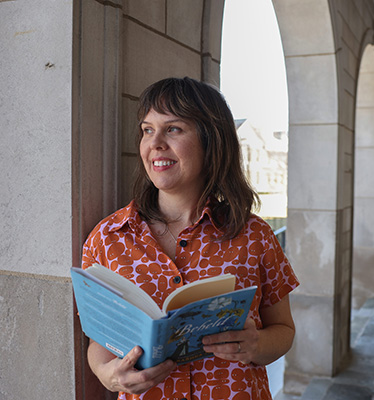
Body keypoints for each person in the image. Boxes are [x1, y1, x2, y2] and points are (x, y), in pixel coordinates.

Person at [81, 77, 299, 400]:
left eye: (173, 129)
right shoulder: (108, 239)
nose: (155, 143)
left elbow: (284, 330)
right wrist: (109, 376)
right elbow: (99, 344)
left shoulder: (254, 236)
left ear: (211, 142)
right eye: (147, 130)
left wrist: (257, 345)